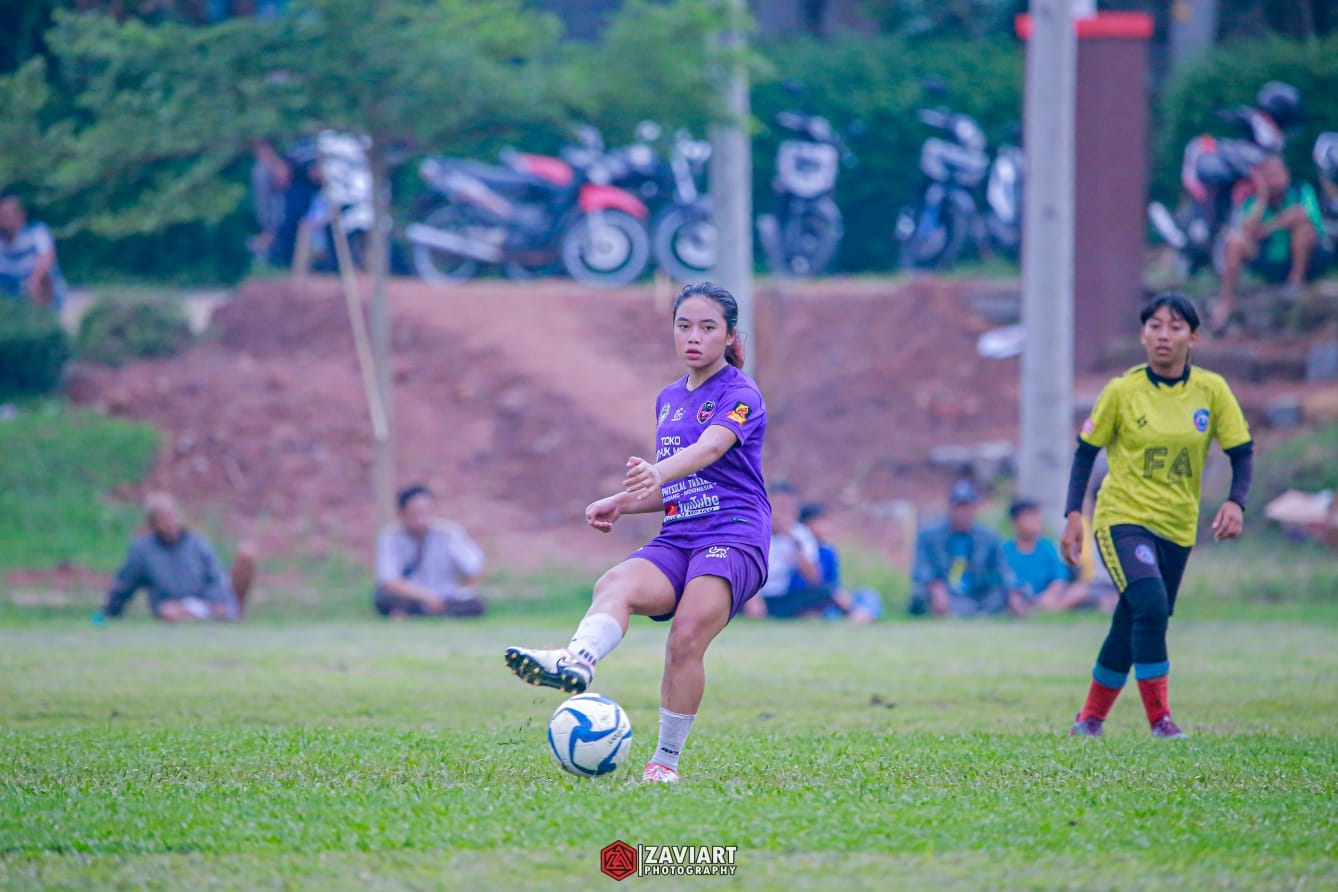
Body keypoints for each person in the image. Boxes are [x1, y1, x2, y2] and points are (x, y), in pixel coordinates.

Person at [504, 282, 769, 784]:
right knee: (614, 584)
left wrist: (657, 472)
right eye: (683, 326)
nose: (693, 337)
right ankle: (577, 661)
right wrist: (624, 502)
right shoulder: (668, 399)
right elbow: (677, 485)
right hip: (680, 533)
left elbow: (710, 451)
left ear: (730, 336)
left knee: (685, 635)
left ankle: (664, 764)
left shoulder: (741, 393)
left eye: (707, 327)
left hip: (733, 533)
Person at [1061, 292, 1253, 739]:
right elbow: (1085, 452)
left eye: (1175, 327)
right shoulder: (1121, 391)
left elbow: (1242, 453)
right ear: (1142, 335)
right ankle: (1161, 721)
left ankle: (1089, 720)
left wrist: (1235, 502)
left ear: (1193, 337)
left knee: (1132, 618)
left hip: (1177, 526)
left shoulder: (1212, 390)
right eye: (1155, 326)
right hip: (1122, 517)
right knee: (1151, 605)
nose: (1164, 335)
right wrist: (1073, 514)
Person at [1212, 154, 1333, 335]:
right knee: (1235, 242)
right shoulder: (1252, 201)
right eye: (1267, 177)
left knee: (1303, 228)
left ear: (1286, 174)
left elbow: (1302, 215)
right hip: (1269, 258)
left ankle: (1296, 282)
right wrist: (1262, 196)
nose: (1274, 181)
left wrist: (1269, 227)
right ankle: (1227, 302)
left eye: (1276, 175)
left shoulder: (1301, 190)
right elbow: (1246, 231)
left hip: (1306, 257)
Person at [99, 492, 256, 622]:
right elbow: (125, 585)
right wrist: (106, 614)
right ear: (153, 524)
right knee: (169, 612)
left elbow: (214, 577)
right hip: (172, 606)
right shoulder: (142, 551)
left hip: (204, 601)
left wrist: (216, 601)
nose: (170, 523)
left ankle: (226, 613)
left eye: (171, 517)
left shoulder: (198, 543)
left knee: (244, 557)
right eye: (163, 519)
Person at [374, 484, 485, 618]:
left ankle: (412, 614)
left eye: (425, 511)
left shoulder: (448, 533)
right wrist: (426, 597)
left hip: (445, 597)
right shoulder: (391, 536)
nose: (421, 519)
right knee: (383, 597)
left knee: (473, 604)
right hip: (411, 596)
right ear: (402, 513)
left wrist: (464, 590)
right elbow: (389, 580)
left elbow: (472, 567)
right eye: (414, 513)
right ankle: (429, 612)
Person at [908, 479, 1016, 617]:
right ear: (950, 508)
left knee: (1003, 596)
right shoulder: (928, 535)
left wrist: (1013, 592)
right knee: (920, 595)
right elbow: (921, 569)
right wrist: (935, 586)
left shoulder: (989, 537)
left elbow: (1003, 569)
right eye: (958, 507)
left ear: (975, 508)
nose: (962, 512)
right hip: (945, 591)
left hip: (978, 594)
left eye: (967, 507)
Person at [1002, 498, 1093, 615]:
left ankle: (1046, 610)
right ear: (1015, 522)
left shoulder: (1048, 548)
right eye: (1030, 517)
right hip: (1019, 596)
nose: (1037, 521)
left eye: (1038, 517)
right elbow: (1004, 580)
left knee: (1079, 590)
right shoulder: (1005, 550)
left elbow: (1059, 579)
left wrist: (1050, 595)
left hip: (1047, 597)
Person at [0, 192, 67, 310]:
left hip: (38, 286)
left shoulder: (36, 231)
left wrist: (33, 280)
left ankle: (43, 313)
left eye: (9, 214)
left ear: (21, 214)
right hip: (10, 287)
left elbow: (47, 257)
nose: (6, 219)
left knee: (43, 278)